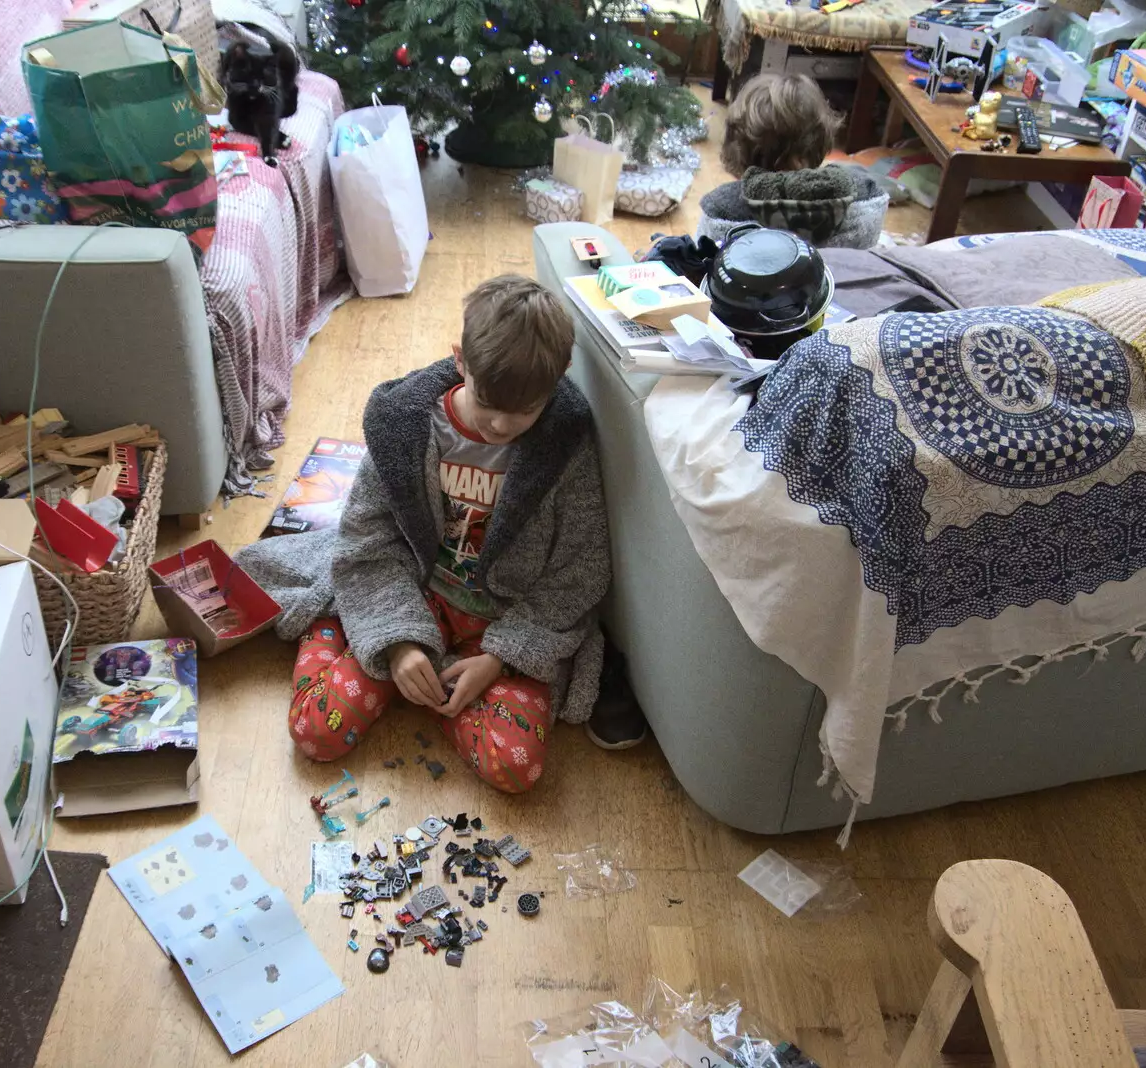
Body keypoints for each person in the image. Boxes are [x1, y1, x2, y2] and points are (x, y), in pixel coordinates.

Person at [235, 275, 624, 793]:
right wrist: (396, 644)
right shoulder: (405, 427)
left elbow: (580, 569)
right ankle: (335, 626)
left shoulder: (566, 445)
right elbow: (368, 541)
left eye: (526, 411)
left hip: (501, 625)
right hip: (413, 597)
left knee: (514, 767)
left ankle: (419, 676)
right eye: (487, 403)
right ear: (460, 360)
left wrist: (499, 659)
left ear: (558, 381)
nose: (502, 426)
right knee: (315, 732)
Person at [698, 73, 888, 250]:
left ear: (737, 148)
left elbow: (702, 264)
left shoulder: (722, 212)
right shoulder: (864, 198)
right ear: (819, 141)